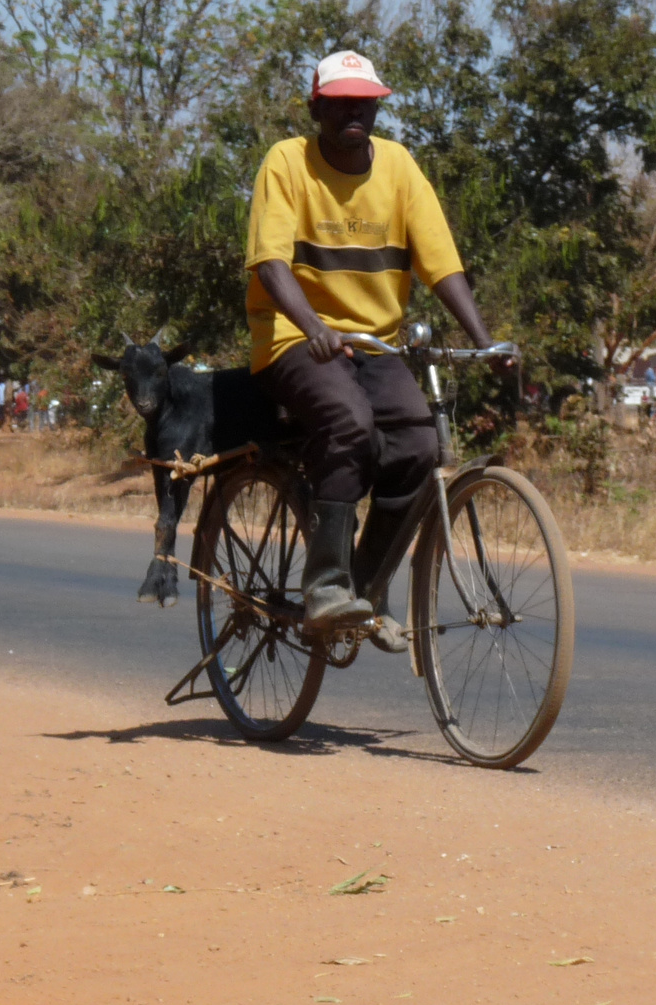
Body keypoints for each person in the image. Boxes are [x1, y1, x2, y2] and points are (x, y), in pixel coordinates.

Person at [246, 50, 498, 649]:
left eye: (364, 102)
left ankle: (365, 589)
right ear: (316, 108)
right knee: (350, 424)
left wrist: (486, 343)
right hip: (293, 338)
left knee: (418, 444)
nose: (353, 112)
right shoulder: (287, 162)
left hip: (375, 344)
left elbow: (441, 266)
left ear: (377, 108)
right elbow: (270, 263)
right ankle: (326, 585)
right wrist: (312, 327)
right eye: (339, 103)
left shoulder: (401, 168)